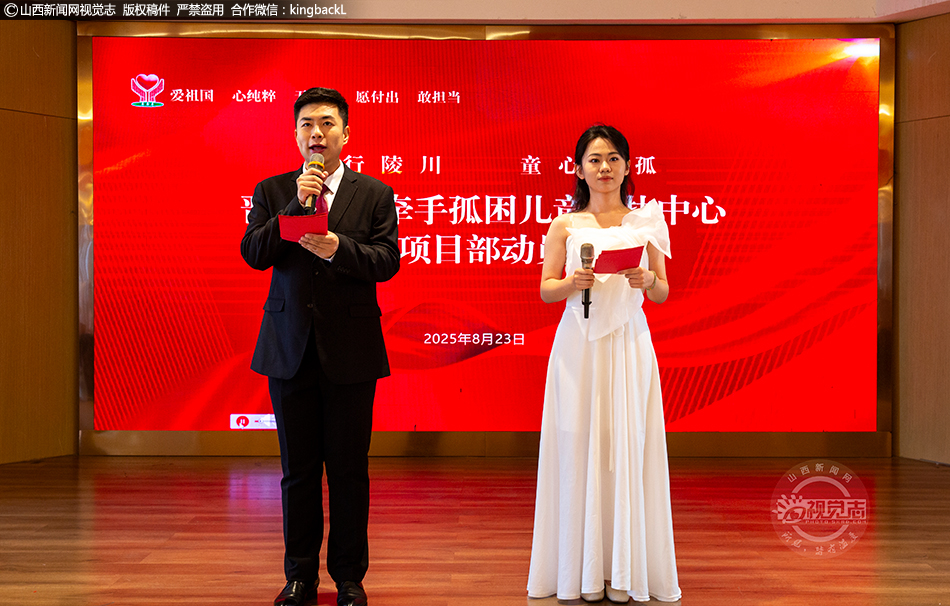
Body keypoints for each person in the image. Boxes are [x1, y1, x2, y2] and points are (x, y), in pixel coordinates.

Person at [240, 87, 399, 606]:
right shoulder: (273, 190)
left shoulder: (373, 193)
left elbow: (387, 261)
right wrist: (295, 205)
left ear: (345, 134)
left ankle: (349, 578)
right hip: (289, 349)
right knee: (298, 472)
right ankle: (300, 576)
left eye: (327, 123)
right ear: (295, 135)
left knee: (349, 471)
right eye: (307, 124)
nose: (317, 133)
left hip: (351, 350)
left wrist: (338, 249)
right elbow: (254, 253)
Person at [527, 125, 682, 603]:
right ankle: (582, 572)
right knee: (578, 445)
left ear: (628, 166)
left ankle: (622, 571)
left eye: (613, 158)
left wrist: (647, 279)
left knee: (625, 445)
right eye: (594, 160)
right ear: (579, 169)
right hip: (578, 345)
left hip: (628, 344)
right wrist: (573, 282)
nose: (604, 168)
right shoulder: (565, 225)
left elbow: (663, 291)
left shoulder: (646, 221)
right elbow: (545, 289)